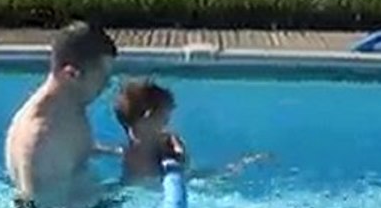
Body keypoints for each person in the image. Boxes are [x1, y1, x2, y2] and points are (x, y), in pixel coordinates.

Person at [4, 20, 120, 208]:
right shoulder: (41, 140)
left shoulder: (67, 108)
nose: (107, 86)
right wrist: (120, 197)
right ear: (71, 74)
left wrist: (124, 154)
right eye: (102, 78)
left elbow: (74, 151)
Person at [112, 77, 270, 183]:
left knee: (216, 174)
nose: (167, 123)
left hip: (171, 184)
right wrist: (178, 154)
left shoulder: (152, 140)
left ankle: (243, 164)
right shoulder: (135, 154)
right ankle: (241, 165)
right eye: (164, 118)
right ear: (148, 118)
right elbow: (177, 170)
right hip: (152, 195)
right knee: (218, 178)